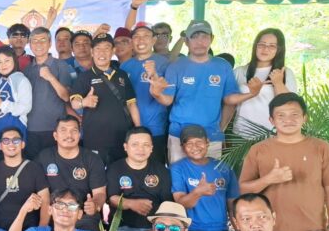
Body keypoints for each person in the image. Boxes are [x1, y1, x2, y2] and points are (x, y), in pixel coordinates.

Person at [239, 93, 329, 231]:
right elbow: (243, 190)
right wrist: (268, 179)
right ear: (271, 120)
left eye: (294, 114)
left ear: (304, 117)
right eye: (281, 115)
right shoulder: (259, 150)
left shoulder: (321, 148)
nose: (288, 120)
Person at [149, 20, 263, 163]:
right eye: (194, 37)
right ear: (186, 41)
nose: (199, 41)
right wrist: (157, 93)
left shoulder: (222, 66)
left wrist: (252, 93)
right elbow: (168, 100)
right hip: (179, 135)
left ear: (212, 39)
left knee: (211, 176)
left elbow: (229, 99)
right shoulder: (175, 66)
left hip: (211, 135)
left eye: (204, 36)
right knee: (179, 175)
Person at [71, 33, 140, 168]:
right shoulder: (85, 77)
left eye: (106, 48)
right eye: (98, 48)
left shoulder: (122, 75)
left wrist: (138, 130)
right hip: (95, 139)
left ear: (113, 51)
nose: (102, 52)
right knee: (96, 174)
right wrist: (84, 102)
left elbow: (131, 104)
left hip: (122, 137)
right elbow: (74, 103)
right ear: (92, 52)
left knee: (121, 174)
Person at [171, 124, 239, 231]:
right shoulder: (178, 168)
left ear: (207, 142)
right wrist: (198, 192)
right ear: (183, 147)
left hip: (220, 230)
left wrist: (238, 230)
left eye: (199, 142)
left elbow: (232, 205)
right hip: (192, 230)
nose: (195, 147)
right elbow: (180, 203)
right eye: (189, 143)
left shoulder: (223, 168)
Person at [36, 116, 107, 231]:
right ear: (55, 135)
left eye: (74, 131)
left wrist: (95, 204)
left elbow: (100, 193)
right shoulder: (44, 157)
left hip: (83, 217)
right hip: (54, 216)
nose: (69, 135)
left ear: (79, 135)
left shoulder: (92, 159)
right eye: (63, 130)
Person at [107, 127, 173, 231]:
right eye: (135, 145)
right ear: (125, 147)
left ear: (152, 148)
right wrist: (131, 204)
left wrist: (161, 230)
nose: (141, 149)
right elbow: (112, 198)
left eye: (146, 145)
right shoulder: (114, 169)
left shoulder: (162, 171)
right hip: (123, 228)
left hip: (153, 228)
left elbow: (167, 204)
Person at [0, 126, 50, 230]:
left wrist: (42, 229)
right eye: (6, 140)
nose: (11, 144)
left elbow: (45, 200)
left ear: (22, 144)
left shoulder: (34, 168)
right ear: (0, 146)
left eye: (16, 140)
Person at [232, 28, 297, 138]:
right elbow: (229, 104)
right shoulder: (239, 72)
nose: (265, 49)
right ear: (255, 46)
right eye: (262, 44)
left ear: (279, 50)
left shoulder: (285, 73)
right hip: (240, 136)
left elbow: (290, 106)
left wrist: (278, 83)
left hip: (272, 135)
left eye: (272, 46)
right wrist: (221, 130)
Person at [121, 22, 170, 166]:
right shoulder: (125, 65)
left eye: (146, 36)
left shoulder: (165, 64)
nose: (141, 40)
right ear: (131, 41)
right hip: (129, 129)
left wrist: (153, 74)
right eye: (136, 36)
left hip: (155, 129)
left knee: (154, 170)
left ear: (153, 40)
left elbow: (168, 97)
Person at [23, 27, 73, 160]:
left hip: (55, 129)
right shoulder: (26, 70)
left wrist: (50, 77)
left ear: (50, 43)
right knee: (34, 167)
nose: (38, 44)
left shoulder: (61, 65)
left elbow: (66, 97)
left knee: (56, 167)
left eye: (43, 40)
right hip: (31, 129)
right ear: (30, 45)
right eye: (34, 41)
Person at [0, 46, 33, 148]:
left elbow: (26, 107)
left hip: (15, 134)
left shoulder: (21, 80)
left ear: (14, 61)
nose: (3, 65)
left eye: (7, 60)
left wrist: (3, 105)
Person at [0, 0, 34, 70]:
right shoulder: (2, 53)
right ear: (9, 40)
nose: (19, 38)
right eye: (15, 35)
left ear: (28, 40)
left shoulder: (33, 61)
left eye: (23, 35)